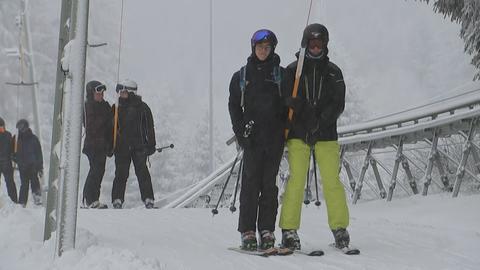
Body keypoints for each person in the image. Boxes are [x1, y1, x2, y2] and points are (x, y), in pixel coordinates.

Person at [279, 23, 351, 250]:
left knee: (332, 182)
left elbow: (337, 103)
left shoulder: (333, 72)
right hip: (299, 134)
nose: (316, 47)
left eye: (320, 44)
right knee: (296, 181)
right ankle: (289, 230)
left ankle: (340, 228)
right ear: (305, 44)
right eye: (312, 43)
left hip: (326, 134)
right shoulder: (292, 71)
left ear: (325, 44)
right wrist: (304, 121)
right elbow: (287, 101)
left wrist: (319, 124)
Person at [228, 29, 292, 251]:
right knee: (250, 186)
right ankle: (247, 231)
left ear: (272, 48)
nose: (263, 51)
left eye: (267, 47)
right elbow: (234, 106)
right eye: (259, 47)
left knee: (269, 187)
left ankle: (267, 230)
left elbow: (288, 106)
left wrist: (286, 127)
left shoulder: (281, 75)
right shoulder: (242, 76)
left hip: (274, 139)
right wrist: (240, 132)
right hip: (252, 139)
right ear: (253, 48)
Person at [111, 79, 156, 209]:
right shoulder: (116, 107)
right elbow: (111, 128)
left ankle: (148, 198)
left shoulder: (143, 108)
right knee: (121, 173)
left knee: (142, 173)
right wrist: (111, 145)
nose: (120, 94)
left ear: (130, 93)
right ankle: (117, 199)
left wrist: (151, 145)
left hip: (139, 147)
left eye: (123, 92)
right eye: (120, 92)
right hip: (121, 148)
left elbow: (150, 127)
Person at [81, 81, 113, 209]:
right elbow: (91, 125)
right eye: (98, 92)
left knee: (99, 171)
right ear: (91, 93)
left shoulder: (105, 106)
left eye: (102, 92)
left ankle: (94, 199)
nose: (101, 95)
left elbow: (110, 125)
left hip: (103, 145)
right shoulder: (87, 107)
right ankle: (89, 199)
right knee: (95, 170)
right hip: (92, 145)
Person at [13, 119, 43, 206]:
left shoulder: (33, 139)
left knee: (35, 182)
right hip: (23, 167)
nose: (20, 130)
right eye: (19, 128)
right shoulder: (17, 140)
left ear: (26, 127)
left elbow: (39, 154)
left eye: (21, 127)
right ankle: (22, 203)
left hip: (33, 166)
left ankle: (37, 199)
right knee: (24, 186)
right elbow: (15, 153)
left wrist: (40, 167)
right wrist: (14, 158)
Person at [0, 117, 18, 203]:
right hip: (4, 161)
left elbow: (12, 149)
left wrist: (14, 155)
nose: (1, 129)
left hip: (6, 162)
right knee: (10, 182)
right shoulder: (7, 135)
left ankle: (14, 201)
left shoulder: (8, 135)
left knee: (10, 183)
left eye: (2, 127)